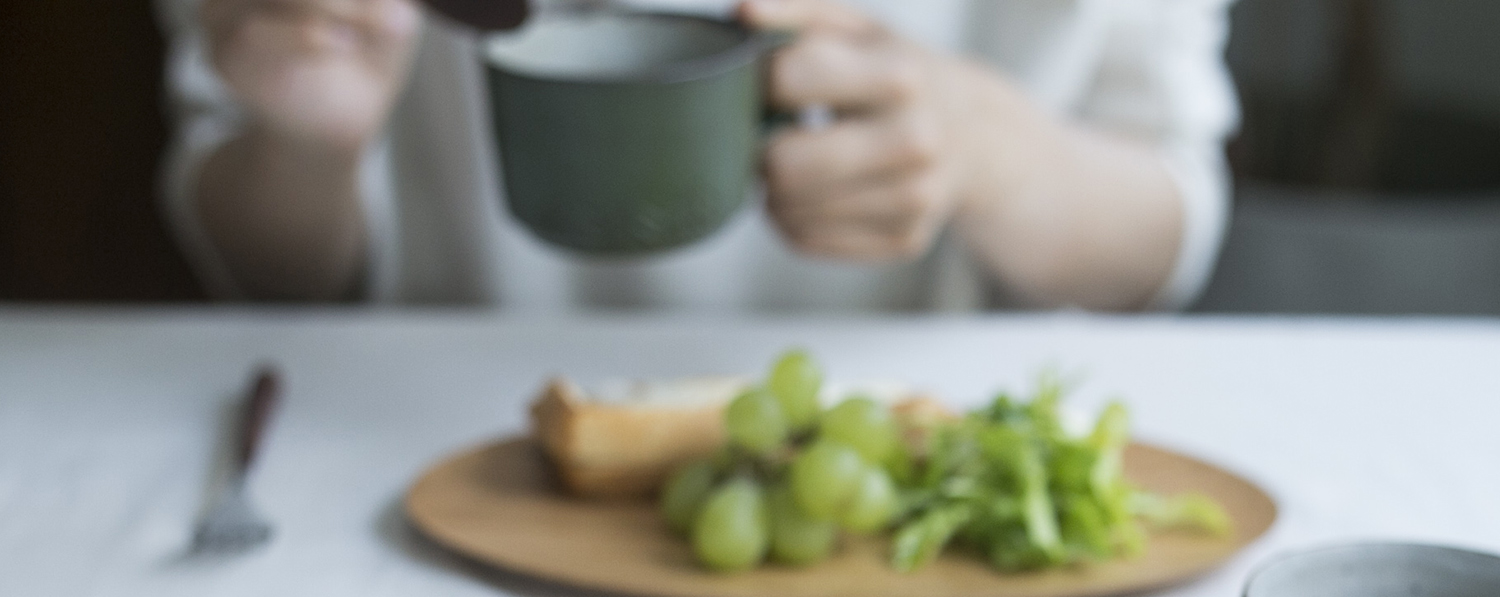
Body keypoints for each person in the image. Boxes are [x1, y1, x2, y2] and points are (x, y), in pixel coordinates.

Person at [157, 0, 1238, 311]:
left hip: (901, 490)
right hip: (420, 455)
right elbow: (255, 257)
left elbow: (1169, 231)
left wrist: (996, 157)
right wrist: (306, 143)